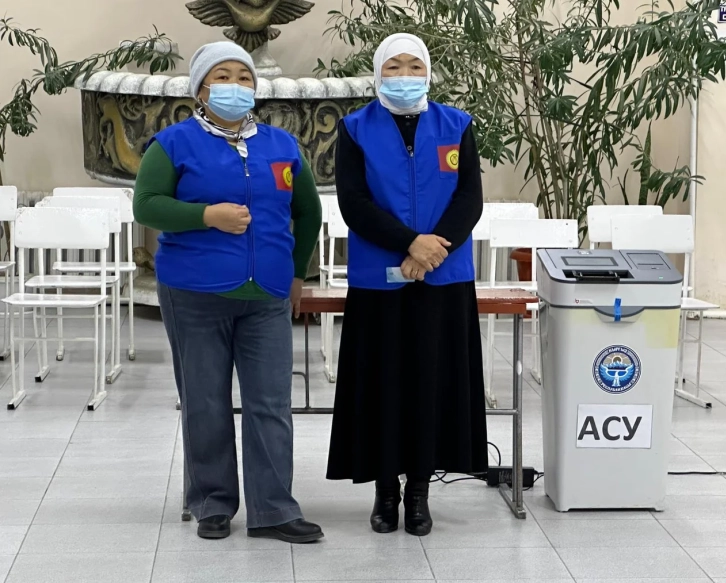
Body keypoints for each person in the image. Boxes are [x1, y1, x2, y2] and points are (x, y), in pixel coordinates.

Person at [133, 41, 323, 542]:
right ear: (200, 88)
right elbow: (147, 206)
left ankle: (274, 510)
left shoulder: (283, 146)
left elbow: (308, 212)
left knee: (270, 403)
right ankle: (212, 503)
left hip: (267, 296)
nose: (235, 86)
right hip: (194, 294)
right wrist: (205, 216)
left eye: (244, 77)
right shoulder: (172, 144)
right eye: (223, 76)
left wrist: (299, 273)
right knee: (205, 401)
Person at [326, 33, 487, 537]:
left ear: (428, 72)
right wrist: (409, 244)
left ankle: (419, 490)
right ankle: (384, 492)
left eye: (413, 66)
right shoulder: (355, 129)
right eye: (393, 66)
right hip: (380, 279)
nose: (403, 74)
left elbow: (469, 199)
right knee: (382, 385)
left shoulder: (456, 125)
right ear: (377, 73)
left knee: (431, 384)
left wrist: (433, 248)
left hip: (443, 277)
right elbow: (353, 202)